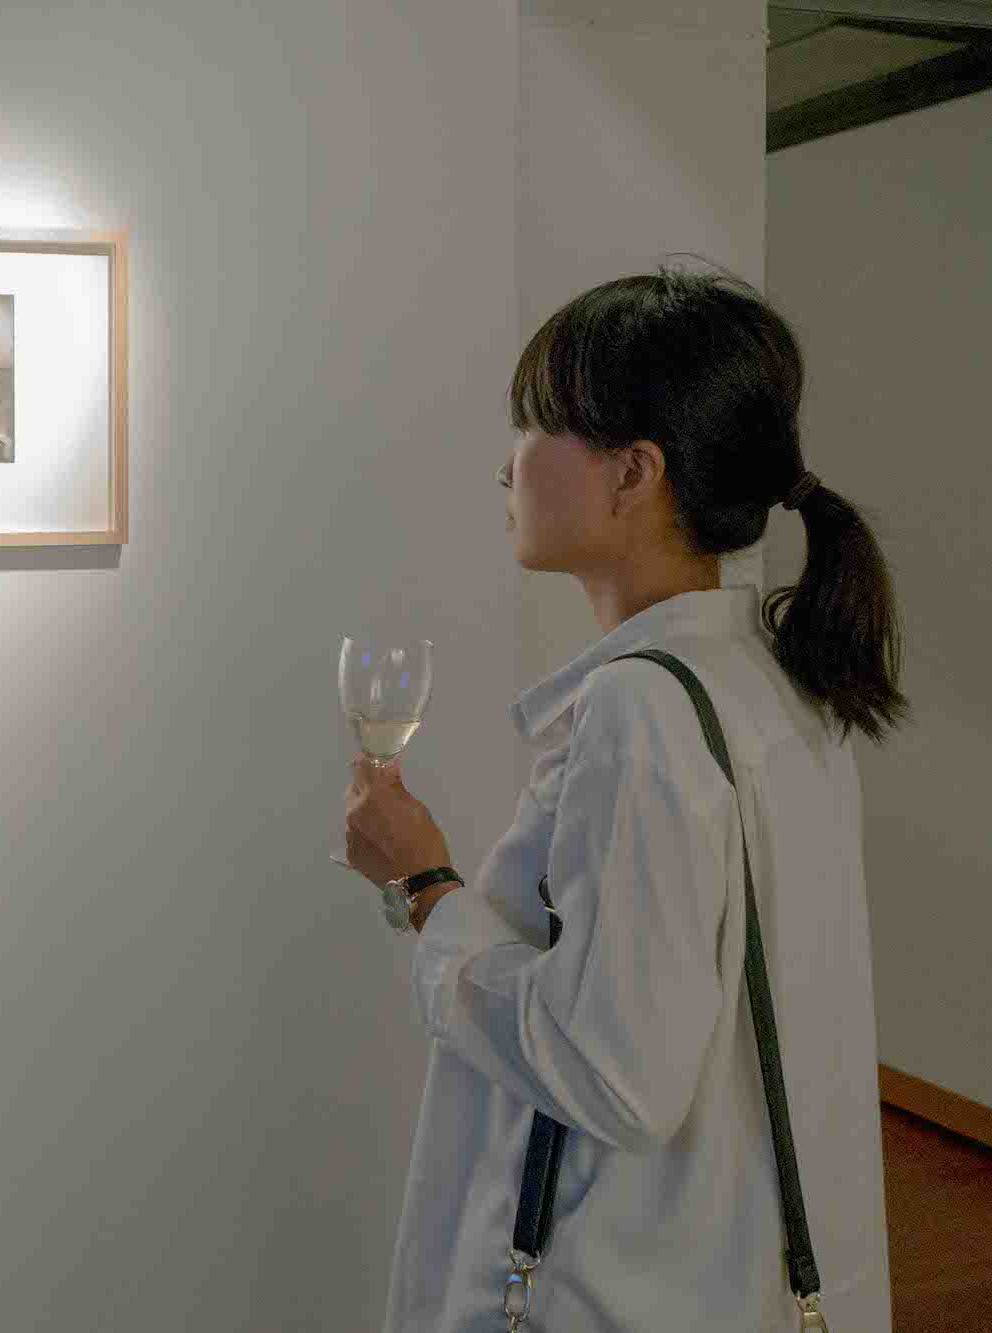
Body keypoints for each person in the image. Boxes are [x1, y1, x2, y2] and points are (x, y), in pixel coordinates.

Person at [344, 261, 907, 1331]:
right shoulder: (774, 673)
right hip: (730, 1275)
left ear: (632, 473)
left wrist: (425, 887)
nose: (506, 465)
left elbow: (612, 1074)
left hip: (621, 1289)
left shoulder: (642, 708)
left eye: (534, 426)